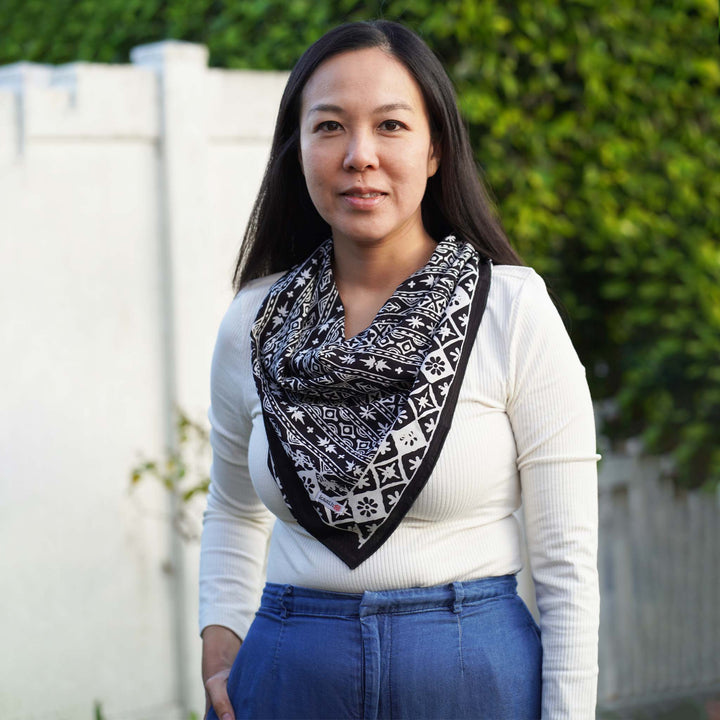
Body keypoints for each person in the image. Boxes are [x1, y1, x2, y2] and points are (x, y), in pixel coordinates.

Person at [200, 19, 599, 720]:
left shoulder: (511, 310)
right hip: (289, 675)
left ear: (436, 147)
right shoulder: (255, 323)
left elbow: (566, 556)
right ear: (297, 148)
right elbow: (232, 507)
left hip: (472, 673)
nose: (359, 155)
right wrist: (220, 641)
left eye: (390, 125)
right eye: (329, 127)